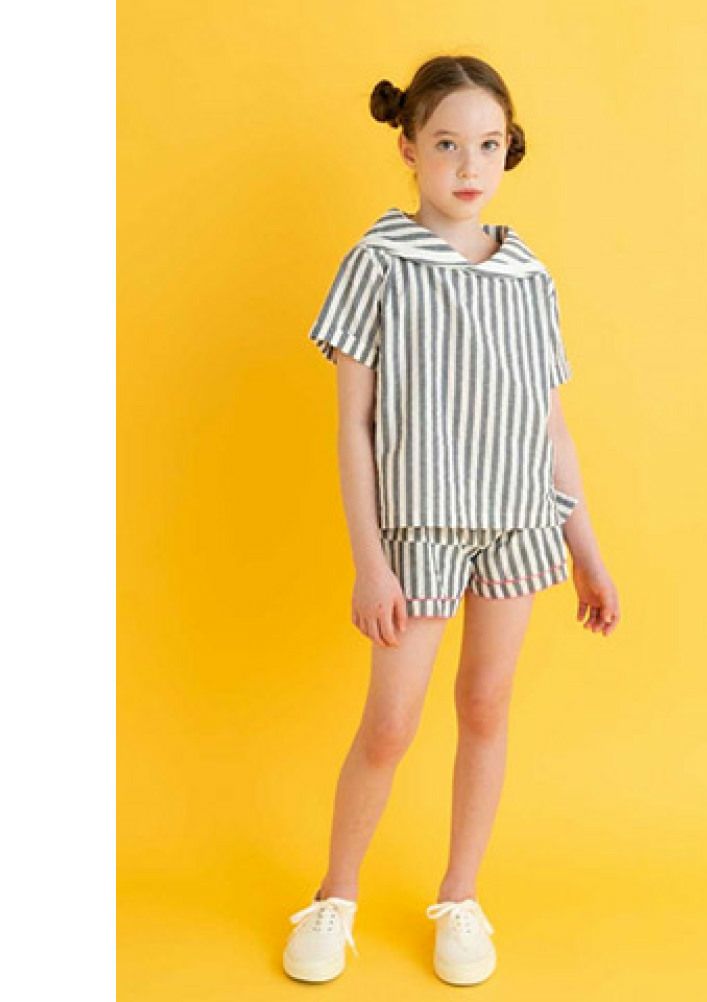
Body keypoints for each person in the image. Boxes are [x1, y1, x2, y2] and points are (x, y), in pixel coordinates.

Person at [283, 54, 621, 987]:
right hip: (418, 532)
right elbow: (354, 427)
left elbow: (550, 427)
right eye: (445, 145)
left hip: (516, 525)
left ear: (508, 149)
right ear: (409, 149)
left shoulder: (529, 276)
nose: (469, 166)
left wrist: (586, 551)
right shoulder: (379, 263)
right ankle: (334, 896)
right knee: (391, 724)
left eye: (488, 145)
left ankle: (460, 897)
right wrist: (371, 562)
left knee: (485, 706)